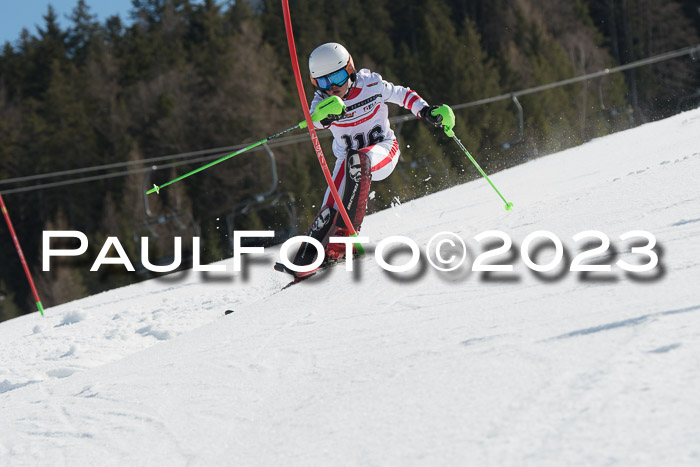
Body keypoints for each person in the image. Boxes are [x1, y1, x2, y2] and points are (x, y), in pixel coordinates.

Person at [284, 42, 454, 279]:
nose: (332, 87)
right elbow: (314, 120)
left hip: (383, 150)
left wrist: (425, 111)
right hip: (347, 162)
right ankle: (312, 253)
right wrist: (324, 115)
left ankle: (345, 239)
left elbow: (401, 94)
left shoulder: (371, 83)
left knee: (359, 160)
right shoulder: (321, 100)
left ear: (350, 69)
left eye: (338, 77)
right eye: (323, 82)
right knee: (331, 206)